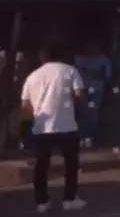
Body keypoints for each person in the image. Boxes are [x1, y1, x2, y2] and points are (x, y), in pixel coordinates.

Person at [20, 41, 87, 212]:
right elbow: (79, 94)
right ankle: (69, 199)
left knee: (41, 165)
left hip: (42, 127)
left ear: (43, 57)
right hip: (66, 125)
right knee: (71, 164)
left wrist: (37, 112)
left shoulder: (32, 76)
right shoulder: (70, 71)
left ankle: (42, 202)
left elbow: (24, 105)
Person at [74, 41, 112, 147]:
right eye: (89, 47)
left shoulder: (103, 60)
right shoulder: (79, 59)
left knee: (93, 113)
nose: (91, 49)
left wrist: (93, 73)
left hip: (96, 91)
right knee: (83, 113)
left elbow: (107, 75)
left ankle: (89, 138)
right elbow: (74, 75)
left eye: (94, 47)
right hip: (83, 90)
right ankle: (81, 137)